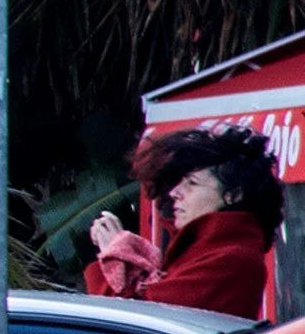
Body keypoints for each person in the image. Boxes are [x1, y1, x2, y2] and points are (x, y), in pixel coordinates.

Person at [86, 126, 281, 320]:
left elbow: (136, 324)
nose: (174, 193)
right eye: (179, 183)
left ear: (232, 195)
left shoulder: (229, 259)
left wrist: (115, 258)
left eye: (192, 184)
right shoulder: (205, 250)